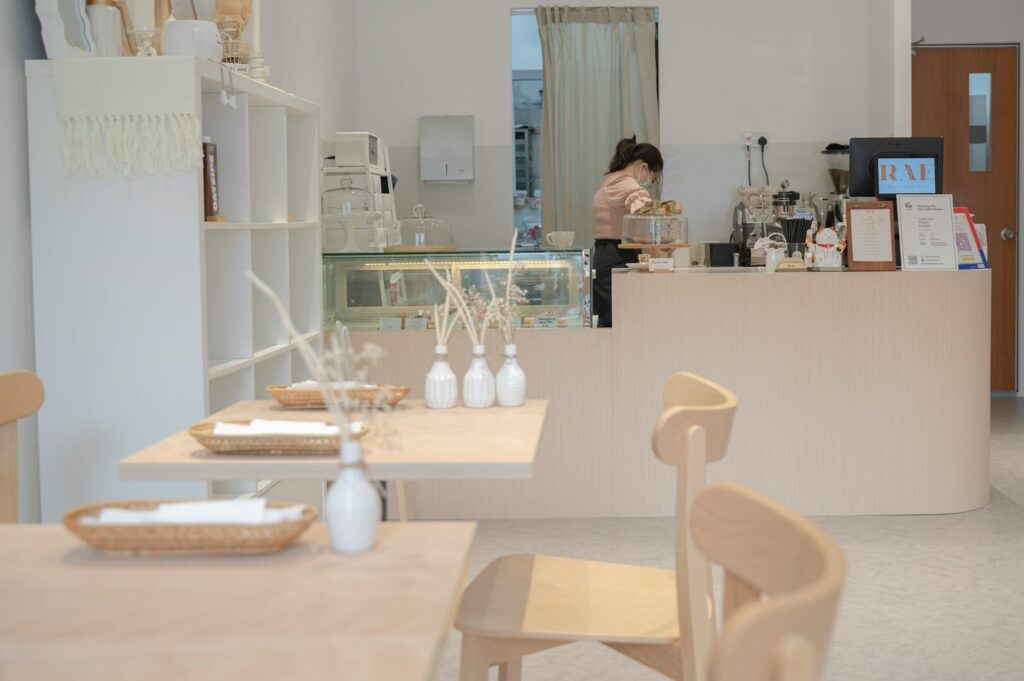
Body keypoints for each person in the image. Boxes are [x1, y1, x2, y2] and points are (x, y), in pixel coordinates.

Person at [591, 136, 665, 327]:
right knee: (618, 320)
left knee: (616, 319)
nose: (651, 183)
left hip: (610, 252)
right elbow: (642, 207)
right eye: (653, 178)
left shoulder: (612, 180)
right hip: (614, 255)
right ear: (644, 168)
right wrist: (671, 208)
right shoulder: (624, 182)